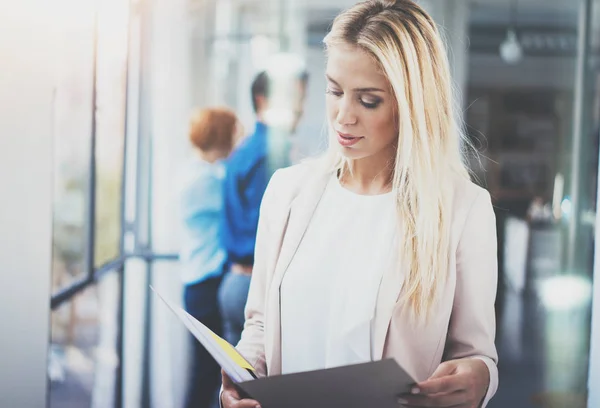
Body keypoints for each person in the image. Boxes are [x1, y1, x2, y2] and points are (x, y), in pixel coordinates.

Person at [221, 1, 499, 408]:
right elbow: (260, 326)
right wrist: (238, 380)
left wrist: (480, 379)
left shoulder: (463, 209)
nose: (342, 117)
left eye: (368, 101)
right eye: (335, 91)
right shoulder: (287, 192)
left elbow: (475, 354)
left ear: (413, 104)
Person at [218, 67, 309, 347]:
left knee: (234, 384)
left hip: (235, 282)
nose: (299, 109)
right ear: (262, 101)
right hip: (256, 288)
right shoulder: (272, 154)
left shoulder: (245, 150)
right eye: (291, 98)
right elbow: (276, 233)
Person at [177, 107, 242, 408]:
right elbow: (238, 204)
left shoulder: (197, 173)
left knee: (204, 371)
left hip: (199, 283)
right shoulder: (207, 180)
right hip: (206, 284)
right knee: (205, 373)